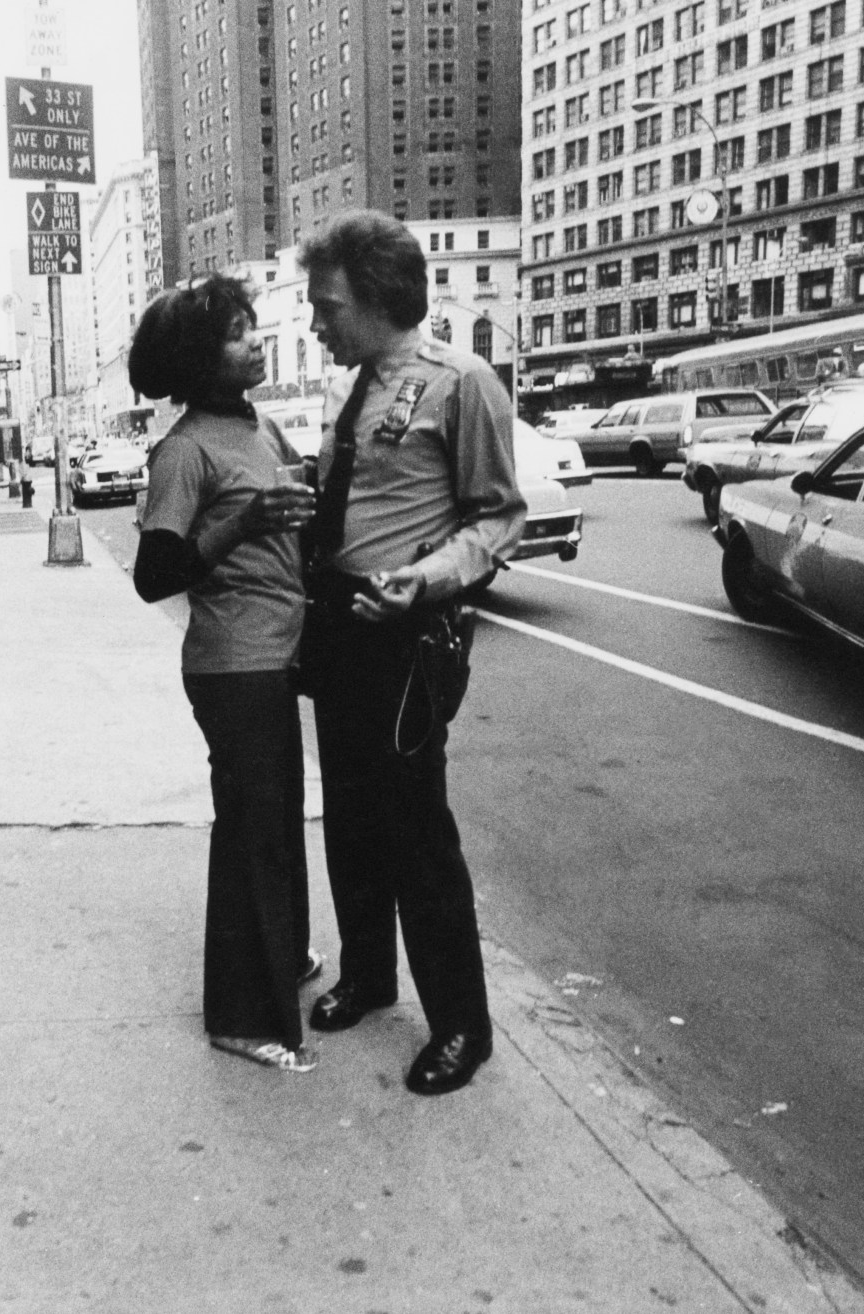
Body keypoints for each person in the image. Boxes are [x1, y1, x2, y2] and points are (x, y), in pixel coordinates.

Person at [297, 211, 525, 1097]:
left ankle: (462, 1025)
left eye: (328, 305)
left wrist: (427, 580)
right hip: (340, 631)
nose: (318, 322)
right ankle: (368, 974)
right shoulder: (351, 389)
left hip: (406, 638)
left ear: (379, 299)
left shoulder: (461, 383)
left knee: (418, 834)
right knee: (350, 818)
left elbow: (499, 514)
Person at [129, 275, 323, 1073]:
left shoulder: (262, 428)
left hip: (277, 653)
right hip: (232, 665)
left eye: (253, 328)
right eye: (238, 332)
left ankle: (287, 959)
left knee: (279, 823)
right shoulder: (184, 450)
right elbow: (154, 574)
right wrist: (244, 521)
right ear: (200, 359)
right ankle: (242, 1015)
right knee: (251, 832)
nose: (254, 341)